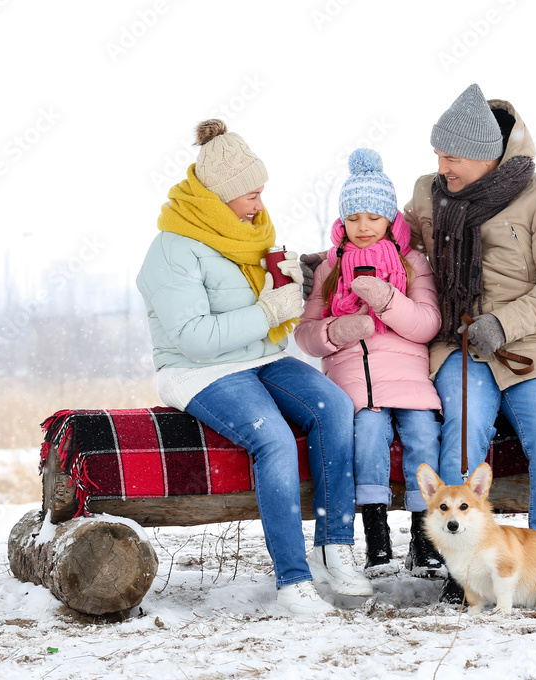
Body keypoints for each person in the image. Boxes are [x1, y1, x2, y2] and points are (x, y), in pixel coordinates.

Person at [136, 119, 372, 617]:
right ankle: (293, 582)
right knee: (274, 438)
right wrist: (268, 311)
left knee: (334, 406)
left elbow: (269, 306)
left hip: (260, 357)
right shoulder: (171, 252)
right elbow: (196, 340)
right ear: (218, 197)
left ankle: (334, 546)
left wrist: (291, 285)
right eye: (250, 195)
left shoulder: (245, 231)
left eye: (261, 193)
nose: (260, 205)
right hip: (199, 371)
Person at [402, 84, 536, 602]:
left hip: (534, 346)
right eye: (437, 155)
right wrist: (332, 270)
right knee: (463, 427)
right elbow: (392, 250)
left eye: (452, 156)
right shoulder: (428, 193)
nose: (442, 167)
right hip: (459, 346)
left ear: (487, 156)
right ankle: (459, 568)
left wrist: (505, 323)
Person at [294, 149, 446, 580]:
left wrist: (387, 299)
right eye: (354, 217)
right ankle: (377, 542)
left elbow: (427, 323)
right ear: (343, 220)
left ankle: (424, 542)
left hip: (411, 381)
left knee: (423, 440)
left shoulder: (411, 263)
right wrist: (335, 332)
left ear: (390, 219)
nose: (363, 227)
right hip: (358, 386)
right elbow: (306, 334)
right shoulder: (330, 266)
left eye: (373, 217)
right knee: (369, 439)